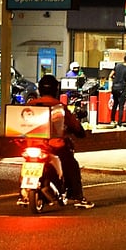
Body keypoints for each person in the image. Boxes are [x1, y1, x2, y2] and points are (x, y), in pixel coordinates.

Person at [22, 74, 94, 209]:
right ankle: (78, 197)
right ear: (56, 89)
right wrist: (80, 132)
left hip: (33, 144)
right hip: (54, 146)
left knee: (27, 163)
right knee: (71, 165)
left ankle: (23, 194)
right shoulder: (59, 106)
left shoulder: (30, 105)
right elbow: (74, 125)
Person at [109, 55, 126, 128]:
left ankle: (112, 120)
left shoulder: (117, 66)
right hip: (122, 89)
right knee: (121, 106)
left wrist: (113, 82)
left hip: (114, 88)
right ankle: (119, 123)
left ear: (124, 60)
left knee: (115, 104)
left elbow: (110, 75)